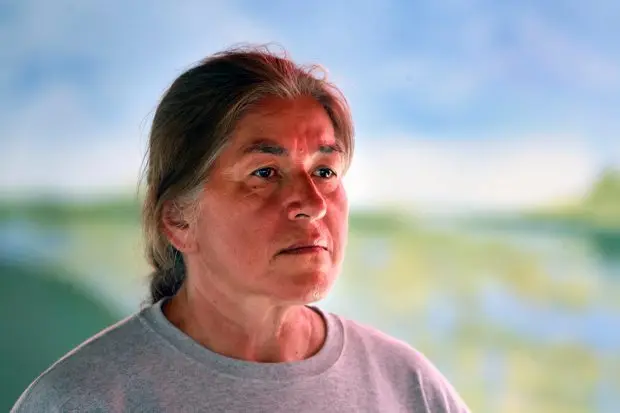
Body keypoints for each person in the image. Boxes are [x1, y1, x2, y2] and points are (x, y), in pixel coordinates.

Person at [12, 46, 470, 413]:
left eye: (325, 171)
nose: (311, 204)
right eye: (265, 173)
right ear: (178, 219)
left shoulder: (408, 388)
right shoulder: (84, 399)